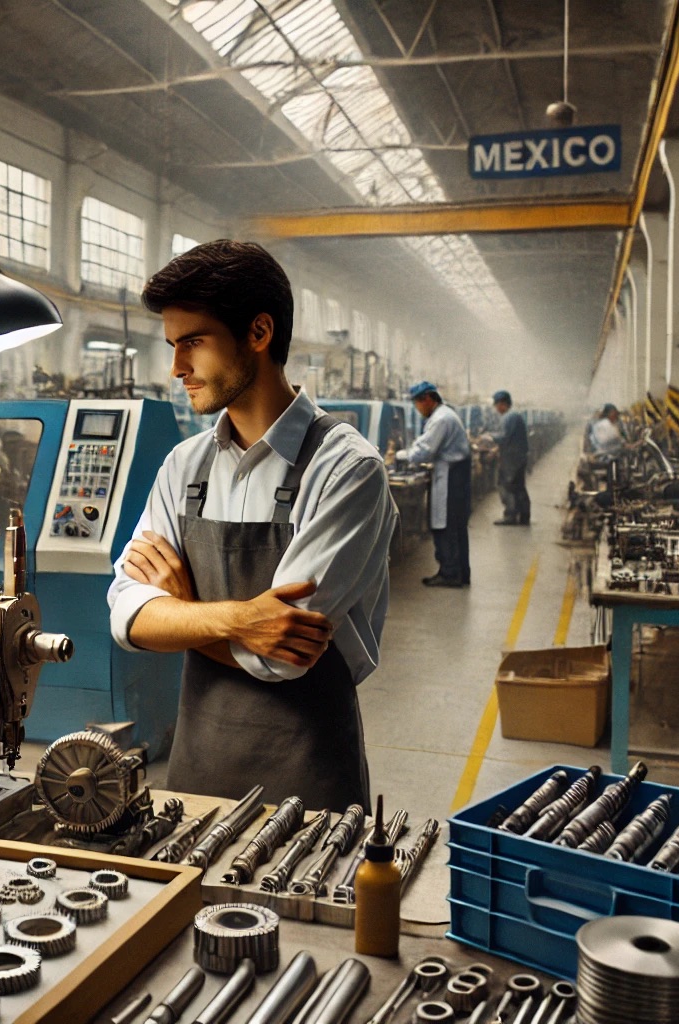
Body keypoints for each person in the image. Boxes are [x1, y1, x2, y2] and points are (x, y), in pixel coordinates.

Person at [106, 240, 398, 810]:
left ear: (259, 332)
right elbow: (125, 616)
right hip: (194, 778)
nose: (176, 368)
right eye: (172, 346)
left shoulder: (348, 469)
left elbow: (283, 654)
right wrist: (244, 619)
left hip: (309, 790)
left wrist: (184, 611)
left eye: (192, 342)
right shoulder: (183, 466)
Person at [396, 381, 471, 587]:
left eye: (417, 404)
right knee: (456, 526)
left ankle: (449, 574)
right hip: (453, 475)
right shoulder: (445, 415)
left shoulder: (441, 419)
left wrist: (403, 455)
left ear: (427, 400)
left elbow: (425, 450)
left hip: (450, 478)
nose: (417, 409)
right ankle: (460, 572)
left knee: (445, 524)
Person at [489, 390, 530, 526]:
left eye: (496, 405)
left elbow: (504, 437)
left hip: (512, 459)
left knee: (507, 486)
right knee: (519, 486)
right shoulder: (515, 416)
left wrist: (489, 437)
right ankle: (524, 515)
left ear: (502, 404)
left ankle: (510, 516)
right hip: (518, 457)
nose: (496, 409)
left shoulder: (509, 417)